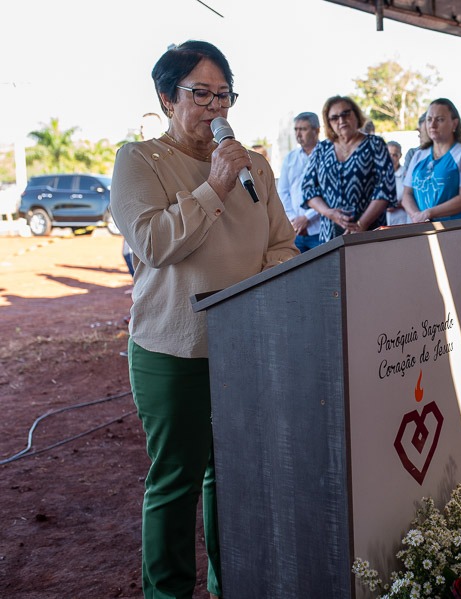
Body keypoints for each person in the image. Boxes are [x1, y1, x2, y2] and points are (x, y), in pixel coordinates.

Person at [109, 40, 299, 599]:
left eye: (224, 94)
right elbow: (154, 242)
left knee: (233, 478)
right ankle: (167, 593)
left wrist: (257, 291)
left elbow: (282, 244)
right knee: (176, 482)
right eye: (201, 94)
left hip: (244, 346)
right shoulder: (139, 161)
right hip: (173, 350)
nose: (216, 106)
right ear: (167, 98)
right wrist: (214, 185)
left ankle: (230, 582)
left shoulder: (254, 165)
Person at [301, 96, 396, 242]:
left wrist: (361, 225)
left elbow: (385, 189)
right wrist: (329, 212)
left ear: (356, 115)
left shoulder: (375, 144)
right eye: (334, 117)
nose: (341, 120)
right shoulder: (322, 149)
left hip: (369, 231)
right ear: (328, 123)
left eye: (346, 114)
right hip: (330, 234)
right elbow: (308, 189)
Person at [401, 98, 461, 223]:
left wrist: (428, 213)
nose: (432, 125)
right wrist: (417, 216)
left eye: (440, 119)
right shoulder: (418, 155)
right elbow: (406, 194)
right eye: (429, 119)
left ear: (454, 124)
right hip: (419, 229)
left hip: (452, 231)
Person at [278, 111, 323, 251]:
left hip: (320, 230)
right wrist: (294, 219)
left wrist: (307, 217)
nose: (298, 134)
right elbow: (283, 191)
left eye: (303, 129)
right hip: (295, 230)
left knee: (324, 271)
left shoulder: (327, 155)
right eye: (296, 129)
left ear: (317, 130)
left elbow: (328, 192)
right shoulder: (290, 158)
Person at [385, 140, 410, 225]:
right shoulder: (379, 174)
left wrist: (396, 205)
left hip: (402, 222)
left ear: (400, 156)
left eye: (395, 155)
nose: (391, 158)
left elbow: (412, 199)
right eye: (389, 155)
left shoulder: (406, 174)